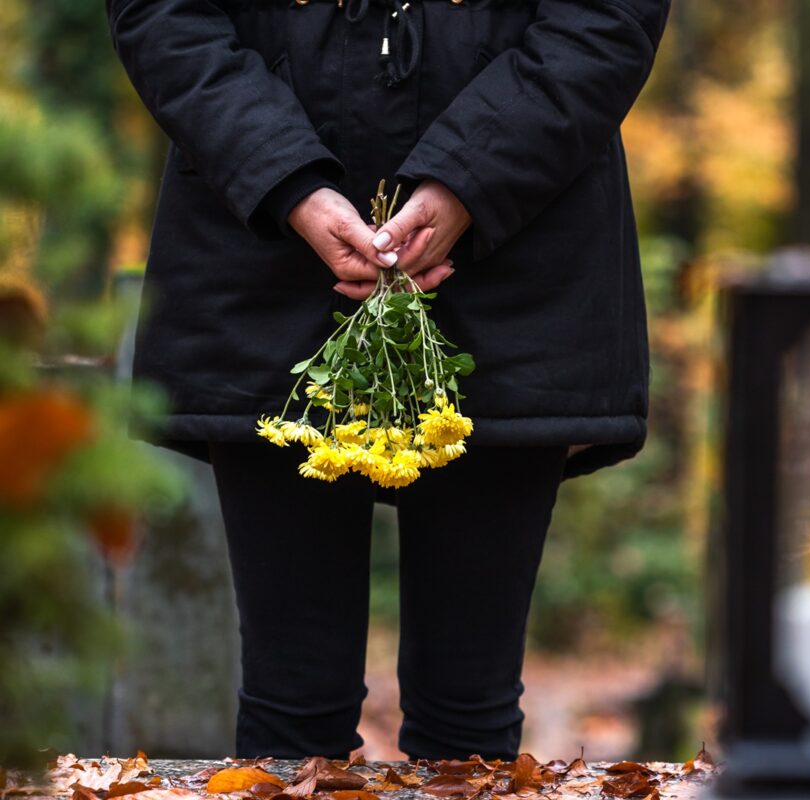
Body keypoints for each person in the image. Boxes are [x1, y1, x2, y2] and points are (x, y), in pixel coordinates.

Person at [105, 0, 670, 761]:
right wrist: (288, 183)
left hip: (517, 254)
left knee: (467, 720)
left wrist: (470, 181)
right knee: (290, 710)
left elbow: (605, 19)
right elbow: (164, 13)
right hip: (264, 257)